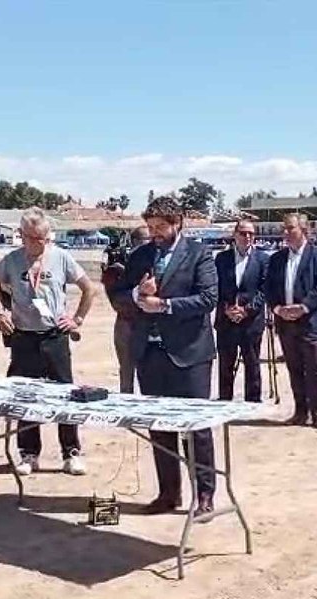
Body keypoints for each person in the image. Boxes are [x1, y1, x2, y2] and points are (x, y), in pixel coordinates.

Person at [109, 196, 218, 516]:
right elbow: (119, 295)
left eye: (160, 227)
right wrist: (136, 294)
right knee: (160, 426)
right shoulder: (141, 255)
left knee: (196, 428)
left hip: (190, 354)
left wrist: (166, 305)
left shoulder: (199, 254)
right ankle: (168, 494)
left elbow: (208, 298)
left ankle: (205, 495)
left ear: (177, 223)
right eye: (150, 227)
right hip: (150, 353)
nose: (154, 233)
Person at [0, 207, 96, 477]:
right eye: (31, 238)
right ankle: (29, 454)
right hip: (23, 338)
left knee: (65, 395)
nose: (37, 243)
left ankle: (71, 452)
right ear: (21, 235)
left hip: (54, 337)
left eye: (42, 238)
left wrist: (77, 319)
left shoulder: (61, 258)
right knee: (25, 397)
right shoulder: (11, 260)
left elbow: (89, 288)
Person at [265, 213, 317, 430]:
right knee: (294, 368)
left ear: (304, 231)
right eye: (284, 229)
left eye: (290, 229)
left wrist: (302, 307)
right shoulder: (276, 259)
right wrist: (278, 309)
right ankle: (300, 411)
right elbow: (269, 288)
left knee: (315, 369)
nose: (285, 233)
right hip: (285, 323)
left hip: (310, 322)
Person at [214, 219, 269, 402]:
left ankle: (252, 401)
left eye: (251, 234)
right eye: (243, 233)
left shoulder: (262, 259)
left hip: (251, 322)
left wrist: (247, 310)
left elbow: (265, 289)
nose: (247, 237)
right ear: (234, 235)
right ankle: (224, 400)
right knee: (225, 364)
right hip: (226, 321)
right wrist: (227, 309)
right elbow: (216, 288)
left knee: (252, 364)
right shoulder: (221, 259)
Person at [102, 227, 149, 393]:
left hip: (148, 323)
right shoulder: (119, 267)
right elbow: (115, 300)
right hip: (126, 323)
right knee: (127, 373)